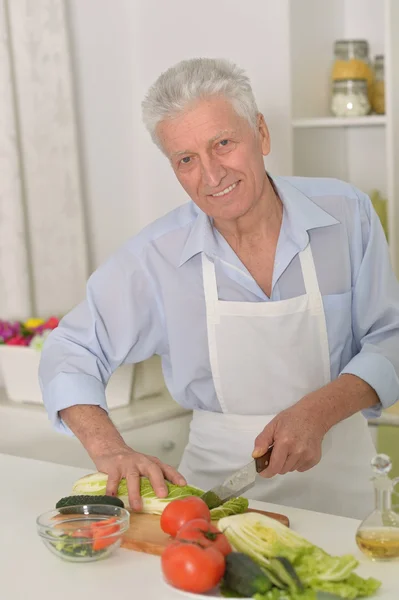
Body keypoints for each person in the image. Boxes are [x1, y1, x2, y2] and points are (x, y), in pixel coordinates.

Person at [39, 58, 399, 519]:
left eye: (223, 144)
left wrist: (321, 410)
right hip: (214, 504)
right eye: (186, 160)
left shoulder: (347, 215)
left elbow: (390, 338)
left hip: (342, 494)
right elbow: (69, 350)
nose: (211, 176)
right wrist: (109, 449)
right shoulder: (156, 257)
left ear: (261, 134)